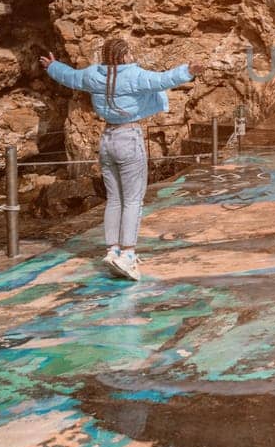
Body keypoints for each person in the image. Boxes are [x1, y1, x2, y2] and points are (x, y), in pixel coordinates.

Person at [39, 37, 204, 280]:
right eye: (128, 53)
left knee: (114, 199)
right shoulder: (133, 75)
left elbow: (71, 77)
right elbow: (162, 80)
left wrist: (53, 67)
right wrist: (188, 71)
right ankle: (127, 254)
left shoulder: (94, 75)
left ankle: (112, 249)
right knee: (133, 200)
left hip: (107, 139)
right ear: (124, 55)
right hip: (129, 137)